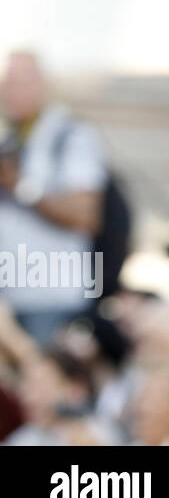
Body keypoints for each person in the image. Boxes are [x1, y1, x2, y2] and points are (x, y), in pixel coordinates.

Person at [0, 51, 108, 345]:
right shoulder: (13, 138)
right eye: (6, 82)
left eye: (18, 81)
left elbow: (86, 216)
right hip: (12, 302)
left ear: (42, 85)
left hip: (53, 303)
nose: (8, 91)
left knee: (46, 388)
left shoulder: (71, 136)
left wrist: (21, 186)